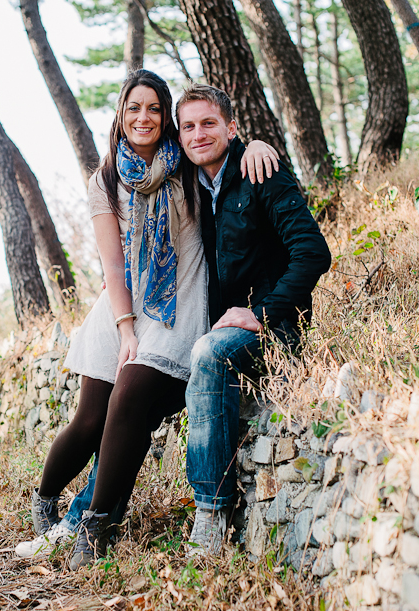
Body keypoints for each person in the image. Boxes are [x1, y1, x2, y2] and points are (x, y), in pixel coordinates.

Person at [14, 70, 277, 568]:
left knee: (131, 397)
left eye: (154, 108)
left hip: (180, 306)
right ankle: (45, 501)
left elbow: (223, 148)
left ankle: (95, 528)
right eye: (134, 107)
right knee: (90, 420)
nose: (144, 117)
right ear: (120, 114)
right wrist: (125, 328)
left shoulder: (186, 163)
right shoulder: (106, 179)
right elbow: (113, 267)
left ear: (165, 116)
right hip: (123, 309)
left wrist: (258, 143)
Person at [174, 83, 332, 557]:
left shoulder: (259, 170)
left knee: (208, 354)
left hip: (275, 329)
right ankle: (92, 513)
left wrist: (263, 313)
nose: (199, 134)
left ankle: (211, 514)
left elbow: (313, 253)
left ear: (231, 128)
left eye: (209, 123)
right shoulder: (188, 183)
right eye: (188, 126)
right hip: (217, 325)